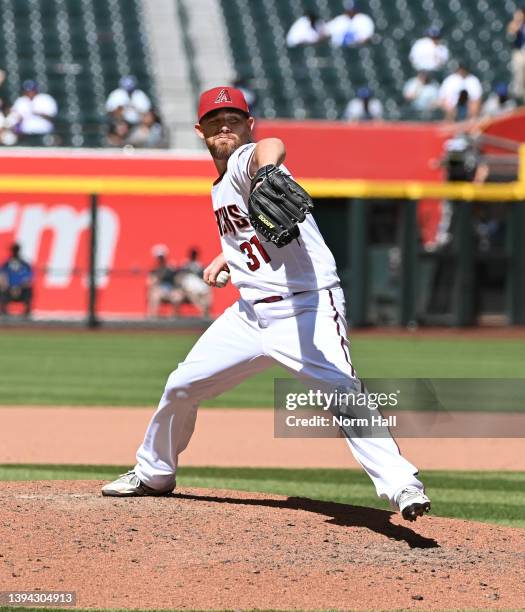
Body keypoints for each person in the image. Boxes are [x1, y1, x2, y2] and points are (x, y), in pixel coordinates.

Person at [101, 85, 431, 522]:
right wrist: (228, 257)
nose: (225, 127)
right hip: (251, 314)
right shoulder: (219, 188)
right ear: (200, 130)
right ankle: (154, 473)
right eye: (216, 121)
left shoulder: (247, 161)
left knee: (342, 389)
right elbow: (252, 234)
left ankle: (402, 484)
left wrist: (265, 169)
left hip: (306, 306)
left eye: (234, 120)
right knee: (181, 385)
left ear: (248, 126)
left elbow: (269, 150)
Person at [146, 244, 184, 318]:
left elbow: (178, 280)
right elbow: (149, 282)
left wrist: (175, 270)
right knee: (154, 295)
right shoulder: (154, 270)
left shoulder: (171, 268)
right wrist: (158, 275)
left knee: (177, 296)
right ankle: (153, 319)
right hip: (159, 291)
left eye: (162, 257)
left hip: (171, 291)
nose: (161, 259)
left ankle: (172, 320)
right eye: (159, 257)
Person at [0, 243, 33, 316]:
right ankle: (3, 311)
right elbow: (2, 276)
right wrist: (8, 285)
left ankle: (27, 311)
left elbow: (29, 278)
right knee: (2, 289)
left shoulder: (25, 264)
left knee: (29, 290)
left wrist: (19, 287)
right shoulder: (6, 264)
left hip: (21, 289)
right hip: (9, 289)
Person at [177, 247, 212, 317]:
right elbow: (179, 277)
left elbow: (204, 277)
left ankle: (206, 314)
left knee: (208, 292)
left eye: (194, 254)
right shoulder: (185, 265)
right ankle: (203, 310)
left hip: (199, 288)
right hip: (188, 289)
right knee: (190, 293)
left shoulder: (200, 265)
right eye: (192, 254)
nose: (193, 256)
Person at [507, 7, 525, 101]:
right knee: (519, 74)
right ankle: (520, 96)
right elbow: (511, 33)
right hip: (520, 52)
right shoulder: (515, 24)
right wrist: (518, 23)